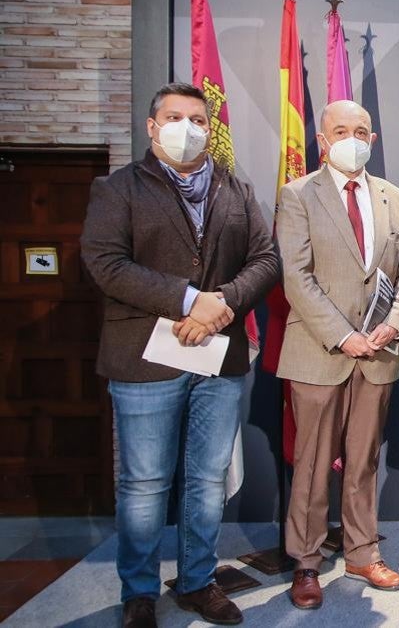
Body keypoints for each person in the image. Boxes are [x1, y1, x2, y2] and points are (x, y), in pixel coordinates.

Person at [81, 82, 280, 628]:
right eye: (175, 117)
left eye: (197, 118)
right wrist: (189, 300)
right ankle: (139, 593)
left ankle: (196, 581)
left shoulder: (236, 189)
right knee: (145, 482)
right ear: (152, 126)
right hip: (144, 359)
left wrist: (221, 305)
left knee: (207, 477)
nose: (187, 128)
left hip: (218, 356)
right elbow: (105, 263)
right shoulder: (118, 188)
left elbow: (265, 260)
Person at [276, 100, 399, 610]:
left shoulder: (394, 199)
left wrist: (392, 325)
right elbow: (296, 276)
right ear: (323, 140)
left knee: (363, 461)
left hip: (379, 353)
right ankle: (307, 561)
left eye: (362, 131)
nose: (353, 138)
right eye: (342, 130)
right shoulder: (297, 195)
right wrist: (343, 336)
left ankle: (363, 551)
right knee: (313, 464)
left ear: (373, 140)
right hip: (320, 351)